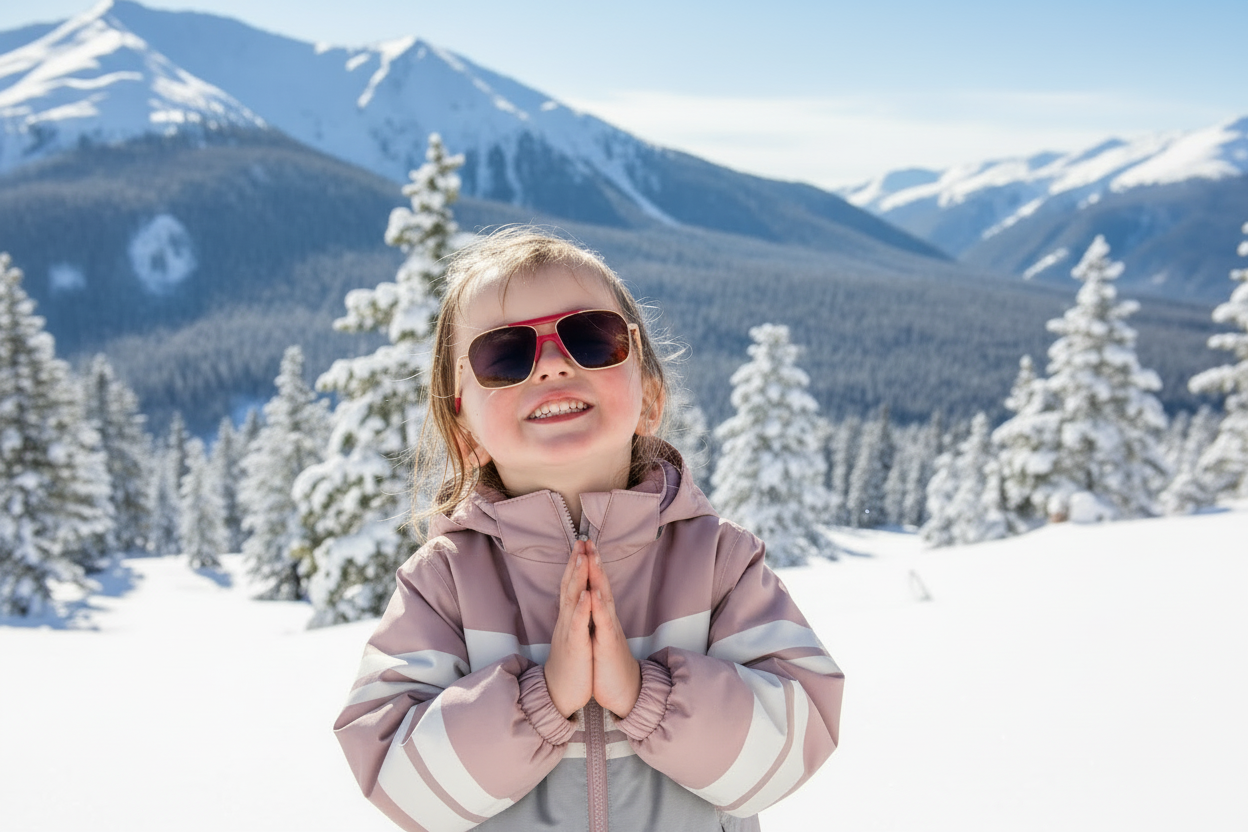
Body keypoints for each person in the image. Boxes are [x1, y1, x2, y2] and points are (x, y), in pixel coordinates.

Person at [333, 227, 844, 832]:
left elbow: (796, 741)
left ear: (649, 396)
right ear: (464, 429)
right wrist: (543, 700)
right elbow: (396, 777)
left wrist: (644, 696)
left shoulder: (716, 562)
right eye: (504, 355)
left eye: (591, 339)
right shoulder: (444, 582)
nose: (551, 364)